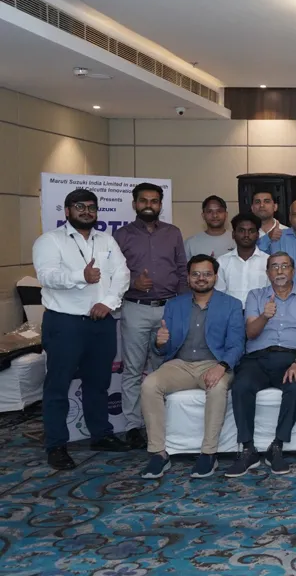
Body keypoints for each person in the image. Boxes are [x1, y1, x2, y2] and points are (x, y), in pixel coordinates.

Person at [33, 189, 131, 469]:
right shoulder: (50, 241)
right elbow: (47, 276)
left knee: (98, 383)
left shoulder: (107, 240)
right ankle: (56, 445)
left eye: (91, 207)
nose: (86, 211)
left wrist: (107, 303)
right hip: (65, 323)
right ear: (67, 211)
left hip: (102, 321)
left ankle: (100, 434)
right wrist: (81, 276)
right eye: (80, 207)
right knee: (58, 385)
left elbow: (122, 274)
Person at [139, 255, 245, 479]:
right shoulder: (174, 305)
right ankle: (158, 453)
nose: (201, 278)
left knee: (217, 387)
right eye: (196, 274)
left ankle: (209, 453)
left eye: (207, 274)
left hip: (214, 363)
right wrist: (160, 342)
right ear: (188, 278)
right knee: (149, 384)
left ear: (215, 277)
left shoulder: (232, 305)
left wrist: (222, 367)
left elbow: (237, 344)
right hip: (180, 365)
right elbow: (163, 347)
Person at [225, 252, 296, 477]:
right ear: (267, 273)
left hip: (291, 359)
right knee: (241, 386)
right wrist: (264, 317)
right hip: (257, 359)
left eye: (284, 266)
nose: (280, 271)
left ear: (293, 270)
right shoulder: (255, 296)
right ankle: (248, 449)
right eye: (274, 267)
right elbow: (250, 333)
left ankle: (277, 446)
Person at [114, 182, 188, 450]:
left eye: (154, 201)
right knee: (133, 369)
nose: (149, 205)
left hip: (169, 308)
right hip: (135, 307)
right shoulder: (121, 235)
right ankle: (133, 426)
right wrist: (133, 283)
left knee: (165, 368)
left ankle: (165, 422)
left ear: (160, 205)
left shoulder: (173, 233)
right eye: (143, 200)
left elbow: (182, 270)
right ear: (134, 204)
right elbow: (112, 274)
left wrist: (183, 306)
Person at [216, 213, 269, 308]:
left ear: (257, 235)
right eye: (241, 231)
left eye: (251, 231)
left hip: (260, 313)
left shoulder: (268, 261)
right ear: (233, 234)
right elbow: (219, 295)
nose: (246, 235)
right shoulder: (222, 262)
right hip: (230, 313)